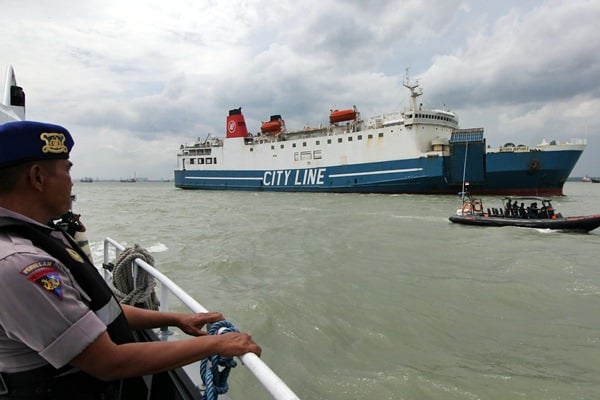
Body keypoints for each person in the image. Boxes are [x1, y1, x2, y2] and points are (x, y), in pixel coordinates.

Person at [0, 121, 261, 399]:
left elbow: (93, 313)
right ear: (37, 178)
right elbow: (108, 362)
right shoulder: (19, 264)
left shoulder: (44, 235)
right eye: (67, 169)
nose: (71, 181)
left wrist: (177, 318)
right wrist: (216, 345)